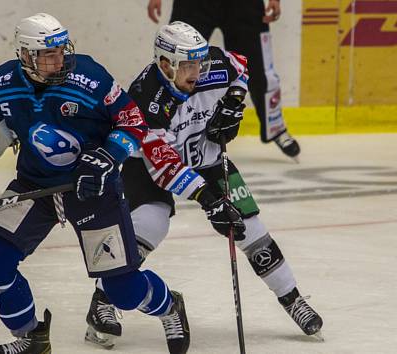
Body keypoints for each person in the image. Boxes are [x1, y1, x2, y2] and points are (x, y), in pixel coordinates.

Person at [0, 13, 193, 354]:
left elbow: (132, 122)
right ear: (25, 55)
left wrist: (106, 158)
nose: (59, 59)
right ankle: (33, 337)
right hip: (36, 186)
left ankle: (169, 306)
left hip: (94, 188)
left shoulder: (89, 76)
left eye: (62, 50)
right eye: (49, 55)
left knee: (122, 289)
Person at [83, 21, 323, 349]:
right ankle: (102, 300)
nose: (196, 72)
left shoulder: (211, 65)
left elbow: (242, 65)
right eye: (187, 65)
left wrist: (233, 104)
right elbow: (166, 167)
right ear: (165, 64)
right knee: (149, 226)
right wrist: (209, 199)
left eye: (198, 62)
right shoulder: (145, 100)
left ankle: (292, 298)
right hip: (147, 167)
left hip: (207, 157)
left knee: (249, 227)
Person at [147, 0, 301, 161]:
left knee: (260, 68)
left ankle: (275, 126)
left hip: (244, 5)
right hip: (193, 4)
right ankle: (162, 130)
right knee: (176, 65)